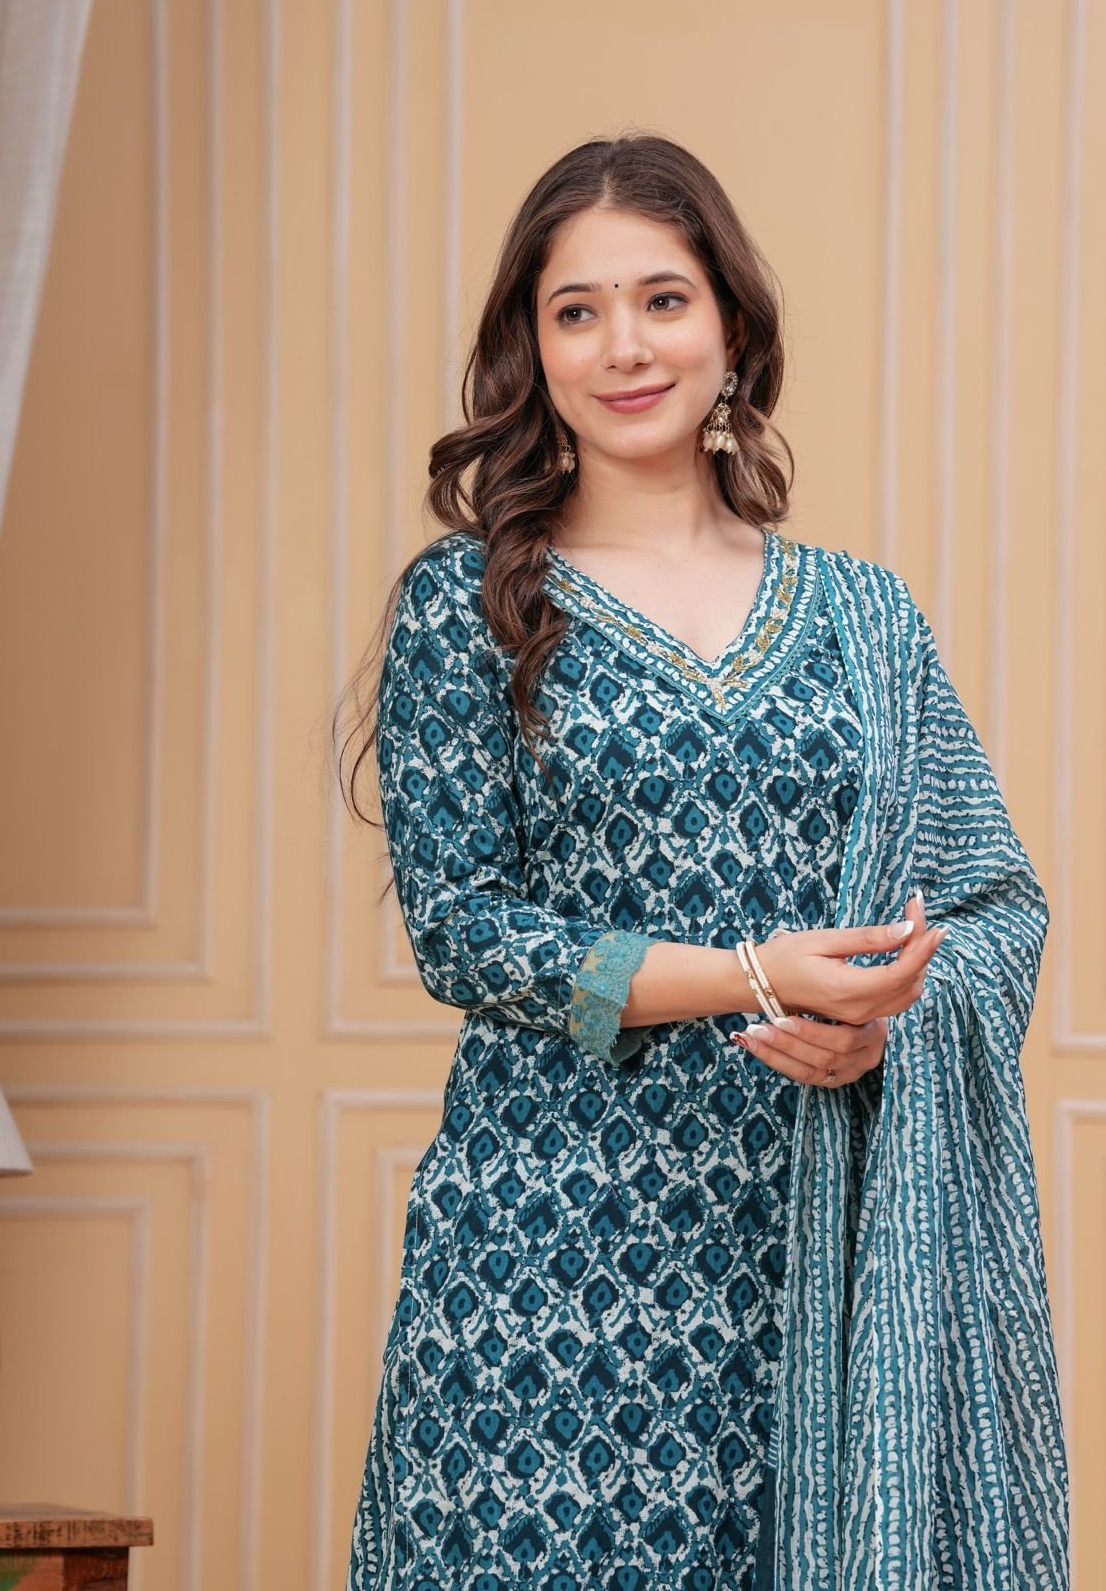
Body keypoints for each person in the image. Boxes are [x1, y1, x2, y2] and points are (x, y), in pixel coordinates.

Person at [334, 133, 1068, 1591]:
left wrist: (883, 1025)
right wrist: (753, 975)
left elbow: (991, 897)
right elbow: (464, 932)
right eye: (578, 311)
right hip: (546, 1257)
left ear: (732, 327)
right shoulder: (470, 605)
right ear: (535, 352)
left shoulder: (865, 618)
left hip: (815, 1248)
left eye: (662, 300)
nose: (625, 346)